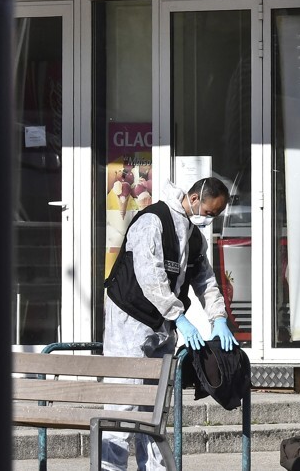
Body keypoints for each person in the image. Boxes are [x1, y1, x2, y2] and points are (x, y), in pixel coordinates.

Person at [102, 177, 236, 471]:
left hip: (162, 324)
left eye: (215, 216)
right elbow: (151, 278)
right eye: (210, 212)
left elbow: (206, 281)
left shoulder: (192, 235)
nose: (208, 219)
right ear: (196, 198)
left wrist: (219, 318)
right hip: (129, 318)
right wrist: (180, 317)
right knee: (123, 404)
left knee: (154, 407)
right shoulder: (152, 221)